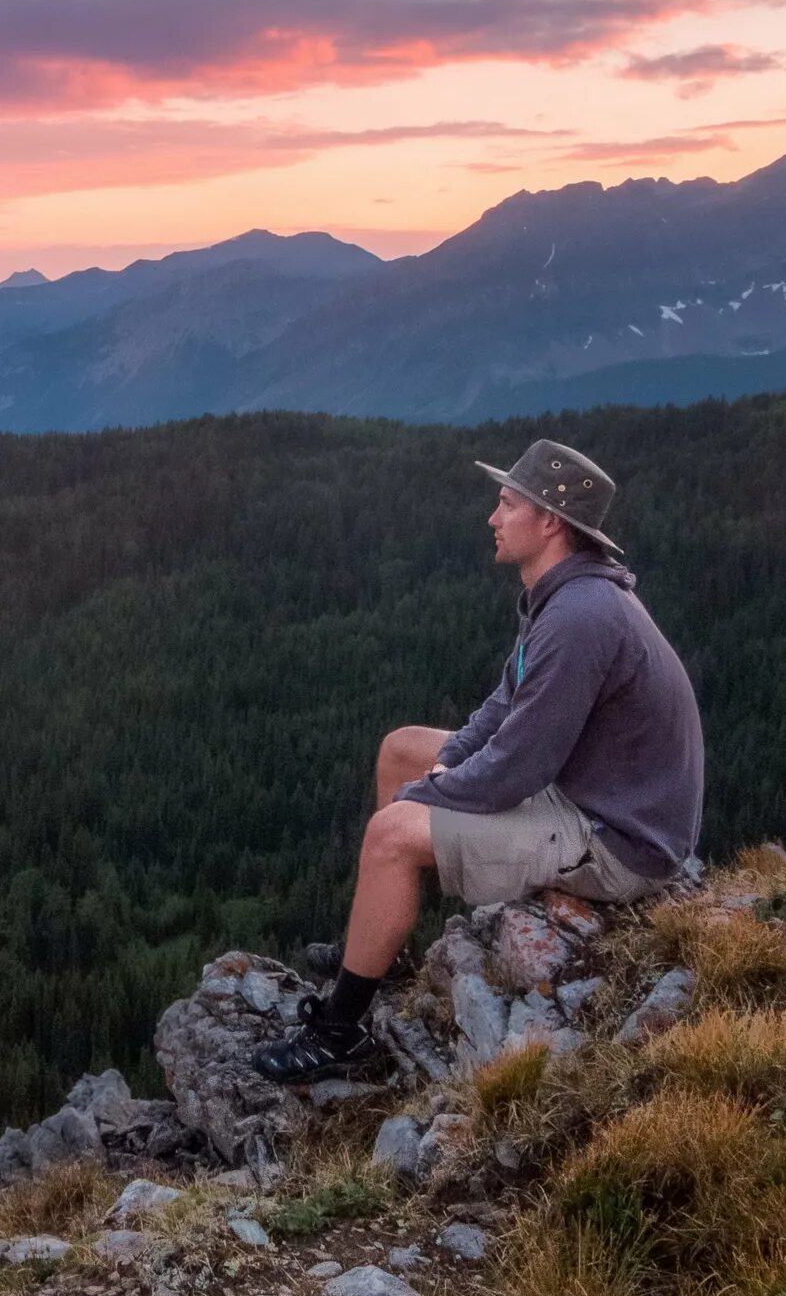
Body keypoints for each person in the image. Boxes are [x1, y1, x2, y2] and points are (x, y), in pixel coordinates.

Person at [251, 439, 704, 1084]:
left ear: (549, 521)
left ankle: (339, 1033)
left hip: (618, 839)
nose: (492, 518)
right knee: (400, 748)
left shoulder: (581, 617)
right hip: (590, 793)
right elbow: (500, 711)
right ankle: (390, 942)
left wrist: (435, 794)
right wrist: (436, 772)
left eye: (506, 503)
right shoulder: (558, 598)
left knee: (390, 834)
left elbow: (518, 767)